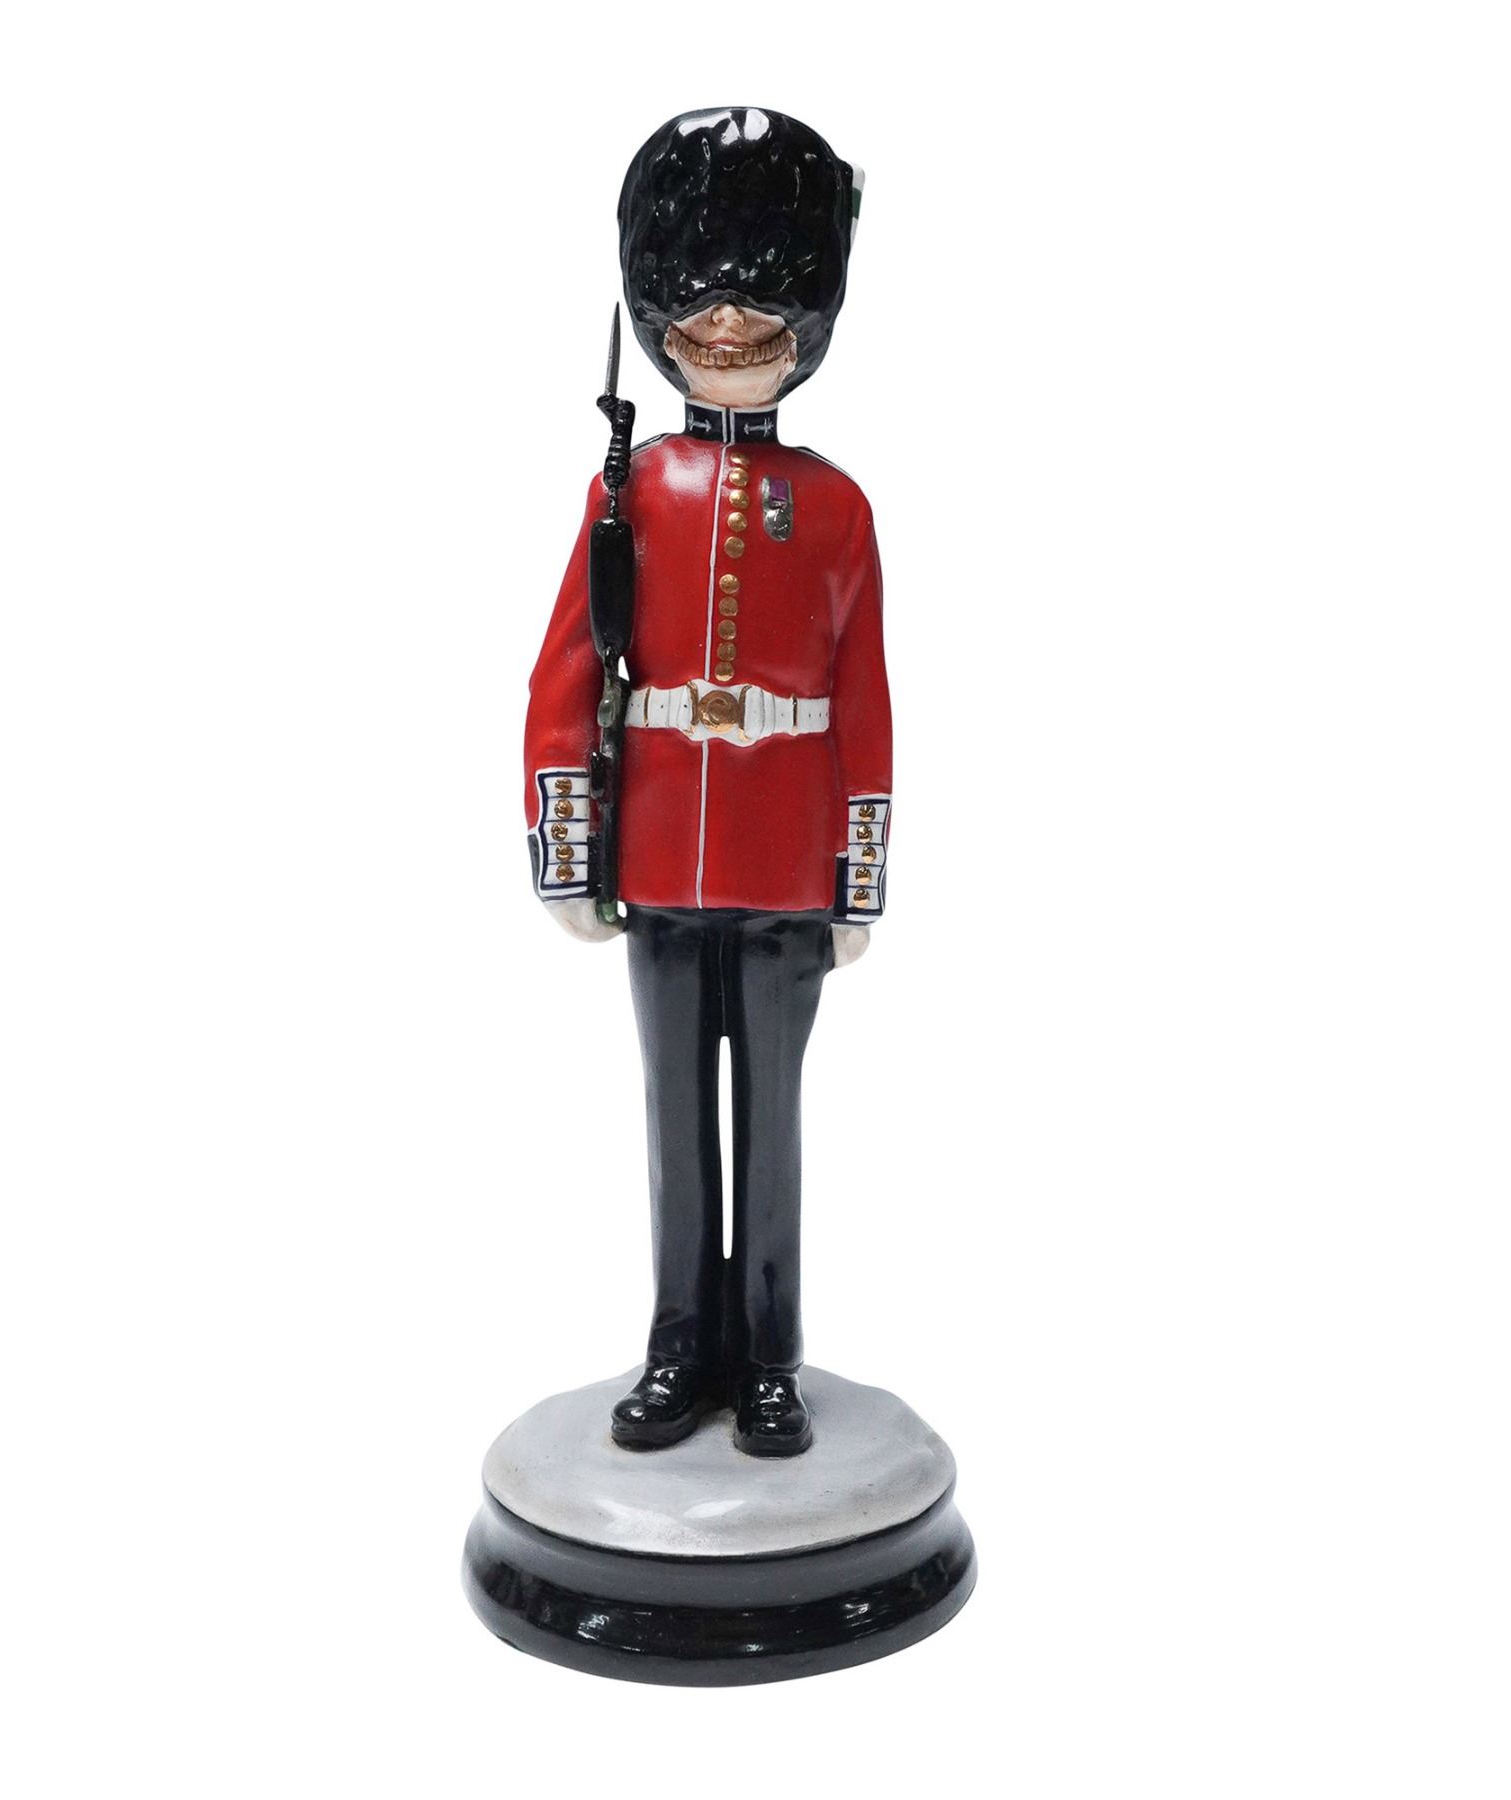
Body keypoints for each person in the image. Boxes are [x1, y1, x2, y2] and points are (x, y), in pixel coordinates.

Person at [523, 108, 888, 1457]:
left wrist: (858, 877)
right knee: (677, 1123)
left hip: (787, 861)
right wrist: (568, 846)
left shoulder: (836, 506)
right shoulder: (630, 489)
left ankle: (770, 1357)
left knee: (770, 1128)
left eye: (763, 297)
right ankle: (683, 1348)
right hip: (660, 856)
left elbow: (865, 697)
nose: (730, 323)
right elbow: (569, 667)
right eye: (701, 297)